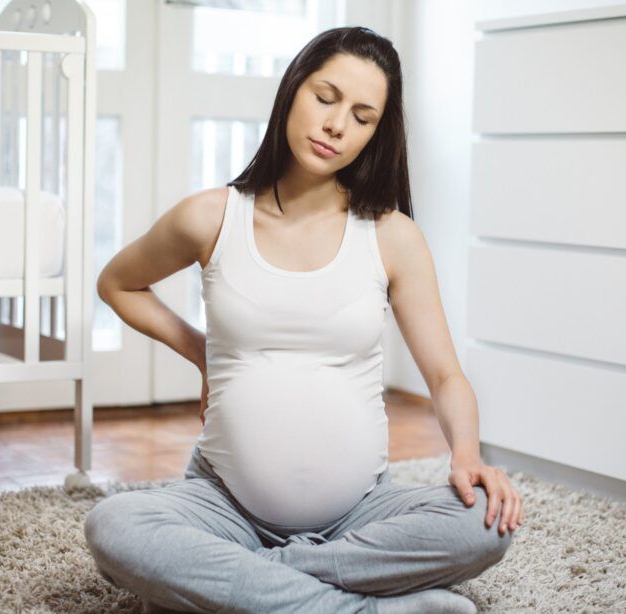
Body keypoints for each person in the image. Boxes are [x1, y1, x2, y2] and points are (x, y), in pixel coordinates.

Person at [84, 26, 523, 614]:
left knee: (487, 526)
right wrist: (202, 353)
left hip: (361, 513)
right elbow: (117, 283)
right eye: (326, 97)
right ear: (293, 89)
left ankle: (240, 587)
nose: (338, 125)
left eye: (363, 116)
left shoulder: (392, 236)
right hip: (223, 507)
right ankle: (366, 607)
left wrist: (466, 456)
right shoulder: (211, 217)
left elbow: (444, 376)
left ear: (376, 134)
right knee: (114, 525)